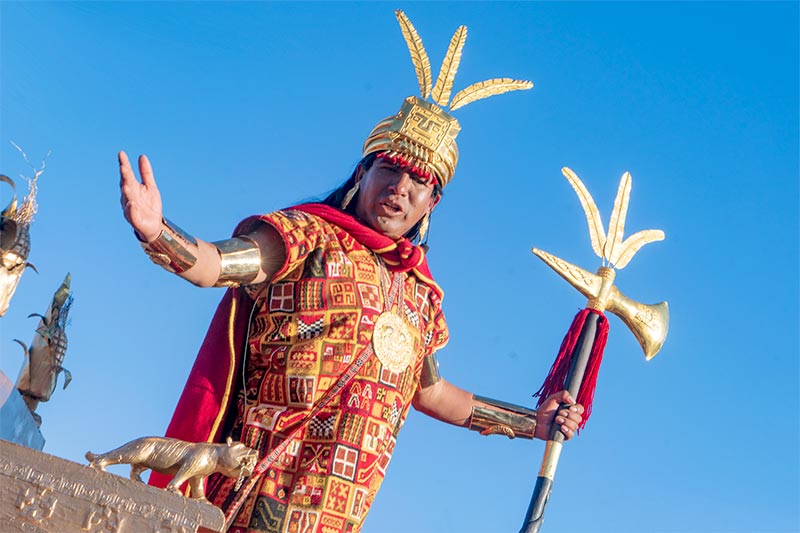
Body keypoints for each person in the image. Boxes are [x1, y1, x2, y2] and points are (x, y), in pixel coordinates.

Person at [119, 11, 585, 533]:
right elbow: (215, 265)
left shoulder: (422, 299)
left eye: (418, 182)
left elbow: (433, 393)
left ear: (432, 202)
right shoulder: (302, 237)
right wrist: (158, 231)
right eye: (390, 169)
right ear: (363, 172)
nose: (400, 188)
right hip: (255, 491)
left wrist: (533, 423)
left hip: (339, 515)